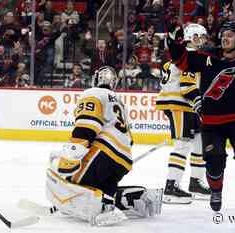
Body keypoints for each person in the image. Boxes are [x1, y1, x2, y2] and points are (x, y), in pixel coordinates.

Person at [166, 21, 235, 217]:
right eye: (223, 34)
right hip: (212, 123)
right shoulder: (207, 57)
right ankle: (216, 191)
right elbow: (179, 59)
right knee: (214, 162)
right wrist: (174, 41)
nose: (225, 38)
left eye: (230, 35)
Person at [46, 66, 162, 226]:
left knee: (71, 183)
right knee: (100, 190)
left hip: (104, 152)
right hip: (124, 160)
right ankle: (111, 202)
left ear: (96, 79)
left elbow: (86, 126)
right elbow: (129, 138)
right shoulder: (118, 100)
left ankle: (99, 204)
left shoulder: (92, 93)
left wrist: (71, 157)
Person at [156, 23, 211, 204]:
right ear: (192, 37)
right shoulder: (191, 56)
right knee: (183, 144)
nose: (203, 41)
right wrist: (199, 104)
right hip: (180, 104)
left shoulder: (182, 55)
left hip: (184, 105)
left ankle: (195, 183)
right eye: (200, 37)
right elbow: (187, 86)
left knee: (198, 143)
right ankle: (171, 188)